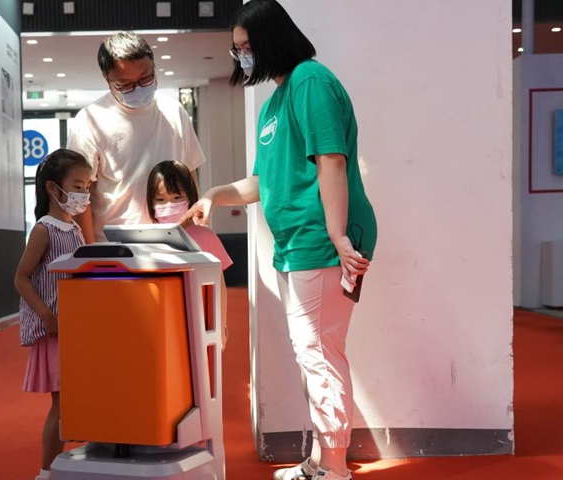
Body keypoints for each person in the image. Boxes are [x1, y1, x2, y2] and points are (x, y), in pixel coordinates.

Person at [181, 1, 378, 479]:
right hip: (296, 245)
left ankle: (334, 467)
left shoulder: (310, 82)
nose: (242, 57)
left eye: (247, 47)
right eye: (237, 50)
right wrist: (214, 194)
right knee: (312, 352)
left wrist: (337, 235)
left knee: (319, 352)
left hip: (322, 241)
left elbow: (331, 159)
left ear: (272, 40)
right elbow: (261, 182)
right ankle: (321, 459)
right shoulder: (274, 103)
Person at [67, 31, 206, 243]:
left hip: (173, 241)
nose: (138, 89)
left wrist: (195, 233)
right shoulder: (90, 121)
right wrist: (90, 250)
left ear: (154, 66)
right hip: (114, 245)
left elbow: (190, 176)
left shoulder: (174, 111)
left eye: (145, 78)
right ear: (107, 79)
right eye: (125, 84)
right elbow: (79, 195)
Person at [14, 149, 92, 480]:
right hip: (54, 330)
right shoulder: (44, 230)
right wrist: (46, 315)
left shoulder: (74, 229)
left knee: (77, 401)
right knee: (62, 405)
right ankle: (46, 472)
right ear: (52, 187)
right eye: (77, 185)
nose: (83, 194)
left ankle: (72, 464)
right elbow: (21, 278)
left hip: (75, 329)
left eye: (87, 186)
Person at [146, 160, 233, 350]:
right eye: (160, 200)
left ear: (191, 197)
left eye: (177, 197)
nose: (169, 205)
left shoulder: (206, 236)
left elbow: (219, 285)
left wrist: (220, 326)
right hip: (161, 325)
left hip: (201, 325)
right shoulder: (146, 238)